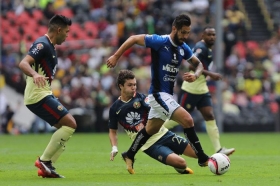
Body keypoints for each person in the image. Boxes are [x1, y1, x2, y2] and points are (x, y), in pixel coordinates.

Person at [106, 14, 209, 174]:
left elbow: (199, 64)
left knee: (150, 130)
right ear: (174, 28)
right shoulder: (160, 41)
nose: (185, 36)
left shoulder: (183, 48)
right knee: (188, 120)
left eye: (188, 32)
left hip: (167, 96)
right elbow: (133, 38)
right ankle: (203, 157)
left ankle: (130, 154)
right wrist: (116, 56)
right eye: (183, 32)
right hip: (158, 94)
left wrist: (196, 75)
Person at [18, 15, 76, 178]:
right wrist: (35, 74)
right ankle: (44, 161)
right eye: (66, 31)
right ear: (58, 30)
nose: (67, 35)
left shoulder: (50, 46)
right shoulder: (42, 44)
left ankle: (47, 167)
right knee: (70, 124)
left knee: (65, 131)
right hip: (37, 96)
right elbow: (23, 63)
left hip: (43, 93)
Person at [163, 27, 235, 155]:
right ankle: (156, 130)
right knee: (180, 119)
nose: (212, 37)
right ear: (203, 35)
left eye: (214, 35)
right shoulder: (200, 47)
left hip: (202, 89)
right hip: (190, 89)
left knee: (209, 115)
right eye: (209, 35)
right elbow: (192, 65)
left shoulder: (208, 49)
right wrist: (211, 74)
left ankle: (219, 149)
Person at [109, 70, 197, 174]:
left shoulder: (141, 98)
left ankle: (215, 160)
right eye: (130, 85)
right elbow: (113, 131)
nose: (133, 87)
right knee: (182, 163)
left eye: (135, 84)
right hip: (149, 144)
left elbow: (154, 108)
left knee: (197, 153)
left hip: (163, 133)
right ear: (121, 86)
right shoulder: (115, 108)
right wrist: (114, 147)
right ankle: (176, 163)